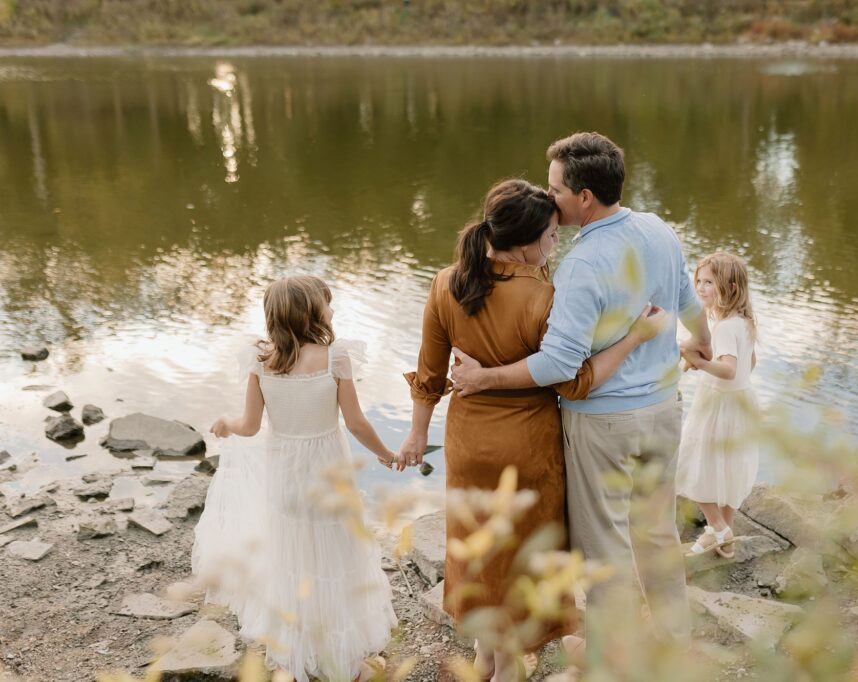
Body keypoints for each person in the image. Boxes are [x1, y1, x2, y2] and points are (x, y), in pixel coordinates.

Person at [449, 133, 712, 651]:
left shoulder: (582, 265)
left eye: (554, 189)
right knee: (657, 531)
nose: (548, 199)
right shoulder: (658, 230)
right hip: (663, 408)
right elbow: (686, 297)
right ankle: (673, 640)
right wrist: (701, 342)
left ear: (583, 197)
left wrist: (485, 378)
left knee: (606, 546)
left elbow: (558, 364)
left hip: (604, 423)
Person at [396, 178, 667, 682]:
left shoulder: (445, 282)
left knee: (484, 550)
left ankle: (485, 658)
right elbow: (578, 380)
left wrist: (416, 435)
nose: (556, 244)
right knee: (521, 559)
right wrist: (634, 337)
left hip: (468, 443)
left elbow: (430, 376)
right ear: (524, 243)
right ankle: (505, 668)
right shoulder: (543, 297)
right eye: (549, 236)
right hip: (527, 447)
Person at [192, 275, 397, 682]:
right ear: (310, 314)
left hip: (284, 473)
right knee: (336, 557)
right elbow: (355, 423)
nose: (332, 310)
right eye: (326, 303)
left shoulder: (262, 360)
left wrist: (225, 423)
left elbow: (249, 426)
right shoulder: (335, 358)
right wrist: (386, 454)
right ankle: (345, 665)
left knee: (292, 558)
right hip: (327, 473)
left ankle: (291, 660)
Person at [677, 252, 760, 559]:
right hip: (740, 403)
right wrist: (713, 366)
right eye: (698, 281)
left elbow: (727, 369)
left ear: (732, 288)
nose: (700, 287)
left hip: (717, 405)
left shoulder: (724, 327)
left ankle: (718, 526)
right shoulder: (744, 322)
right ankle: (723, 533)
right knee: (727, 469)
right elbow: (749, 363)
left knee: (692, 463)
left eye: (709, 282)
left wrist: (700, 361)